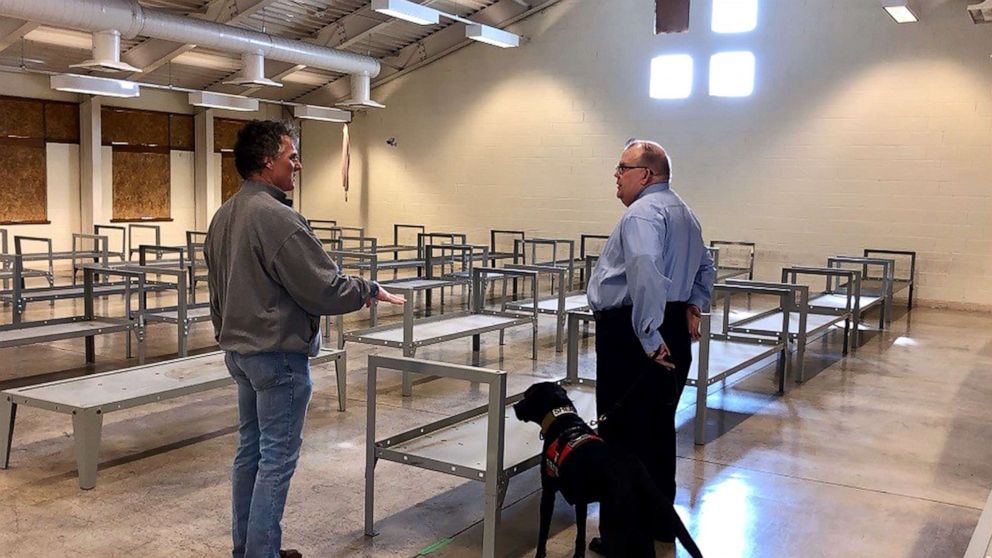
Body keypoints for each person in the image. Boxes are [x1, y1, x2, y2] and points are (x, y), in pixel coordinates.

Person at [204, 120, 404, 558]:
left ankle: (249, 549)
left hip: (240, 353)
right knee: (276, 461)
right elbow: (322, 287)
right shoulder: (276, 217)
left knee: (250, 455)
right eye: (291, 155)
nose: (298, 163)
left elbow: (216, 292)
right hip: (276, 359)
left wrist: (227, 334)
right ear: (266, 161)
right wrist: (367, 289)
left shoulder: (224, 216)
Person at [586, 139, 715, 553]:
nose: (616, 177)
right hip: (671, 328)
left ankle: (624, 538)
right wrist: (694, 303)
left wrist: (647, 336)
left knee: (622, 436)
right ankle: (661, 525)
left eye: (622, 168)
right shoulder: (685, 212)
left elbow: (644, 271)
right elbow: (706, 266)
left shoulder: (642, 213)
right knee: (658, 430)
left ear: (645, 174)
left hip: (635, 336)